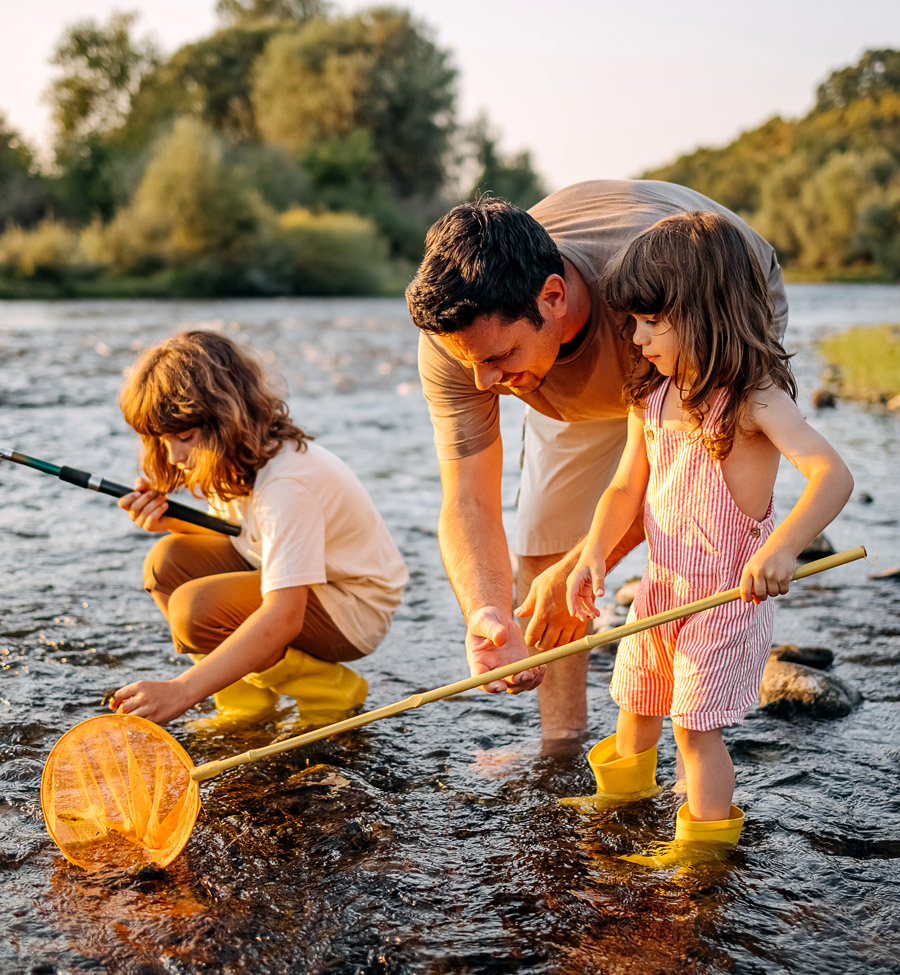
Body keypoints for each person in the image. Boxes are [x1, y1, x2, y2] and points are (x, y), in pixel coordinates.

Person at [406, 180, 788, 745]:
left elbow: (674, 495)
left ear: (552, 298)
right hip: (576, 368)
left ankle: (697, 746)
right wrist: (486, 613)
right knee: (544, 549)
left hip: (720, 296)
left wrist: (591, 557)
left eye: (499, 357)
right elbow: (466, 499)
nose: (485, 383)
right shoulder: (459, 340)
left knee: (700, 522)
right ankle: (560, 744)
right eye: (471, 363)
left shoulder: (664, 305)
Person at [564, 211, 853, 858]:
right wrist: (591, 555)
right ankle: (622, 803)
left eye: (649, 321)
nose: (635, 338)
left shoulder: (755, 398)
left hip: (725, 600)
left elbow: (832, 476)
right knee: (635, 701)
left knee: (695, 731)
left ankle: (703, 845)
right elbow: (623, 489)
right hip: (662, 588)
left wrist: (781, 549)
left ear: (702, 310)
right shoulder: (653, 397)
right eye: (631, 322)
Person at [110, 330, 408, 726]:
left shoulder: (286, 484)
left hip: (352, 608)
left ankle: (328, 689)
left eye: (184, 437)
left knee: (194, 610)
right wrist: (168, 520)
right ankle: (247, 703)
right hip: (308, 584)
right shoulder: (241, 457)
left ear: (226, 420)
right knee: (166, 562)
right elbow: (248, 539)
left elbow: (284, 616)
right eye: (162, 441)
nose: (174, 456)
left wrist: (183, 690)